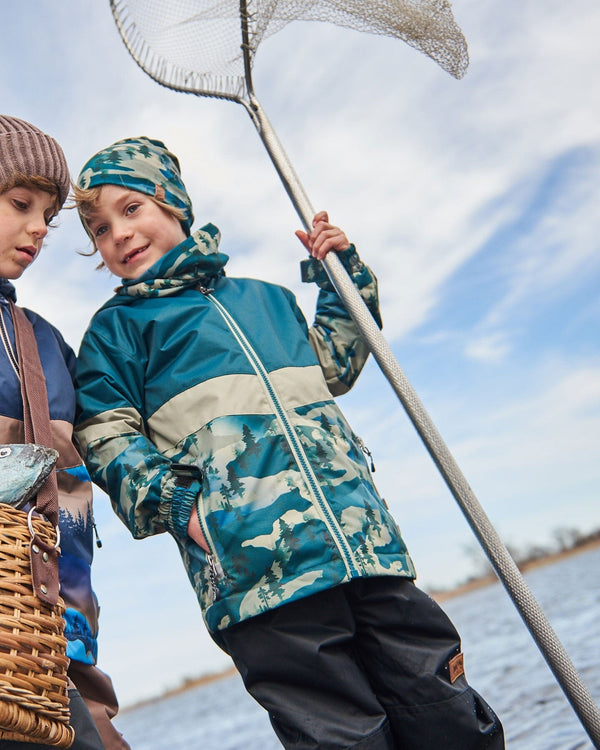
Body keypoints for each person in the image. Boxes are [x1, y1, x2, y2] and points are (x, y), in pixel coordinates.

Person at [73, 135, 505, 750]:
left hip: (363, 547)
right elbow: (102, 432)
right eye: (98, 228)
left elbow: (336, 362)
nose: (116, 233)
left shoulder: (267, 301)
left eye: (131, 208)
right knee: (344, 738)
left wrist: (342, 276)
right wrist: (179, 506)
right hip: (258, 575)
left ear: (174, 205)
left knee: (444, 708)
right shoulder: (115, 334)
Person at [0, 115, 129, 750]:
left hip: (60, 645)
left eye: (48, 215)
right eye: (21, 204)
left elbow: (114, 440)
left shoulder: (47, 342)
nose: (39, 229)